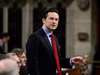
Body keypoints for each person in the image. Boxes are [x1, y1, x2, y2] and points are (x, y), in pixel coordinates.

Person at [26, 7, 85, 75]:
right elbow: (32, 64)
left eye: (56, 19)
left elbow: (56, 61)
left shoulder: (55, 38)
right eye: (51, 18)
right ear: (43, 20)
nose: (54, 21)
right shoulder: (35, 37)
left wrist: (71, 61)